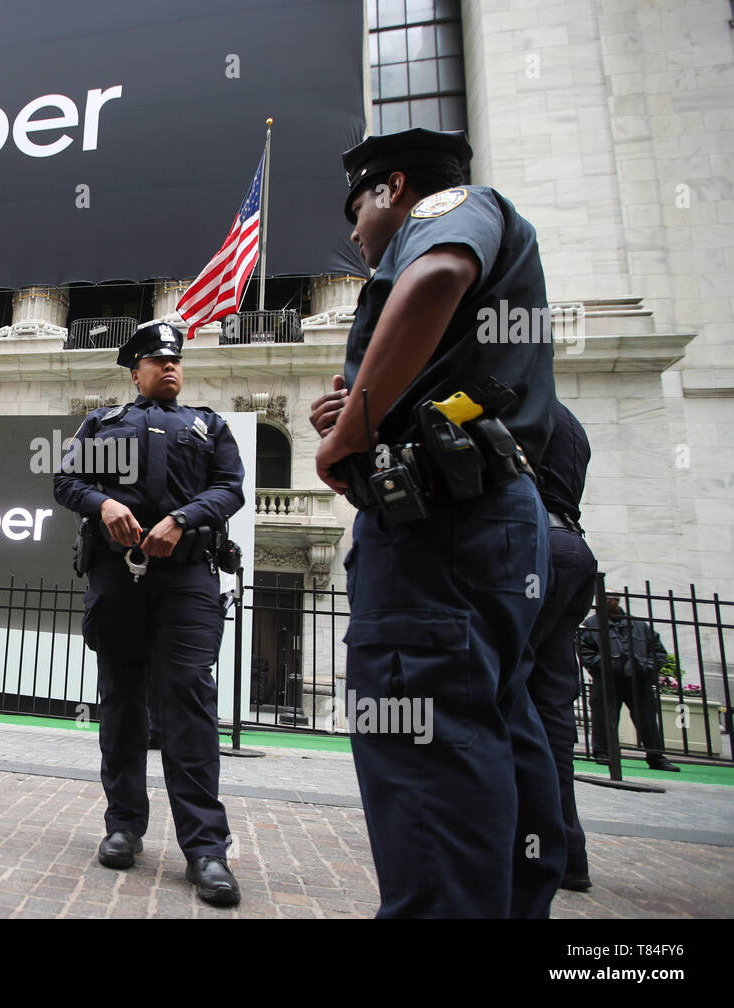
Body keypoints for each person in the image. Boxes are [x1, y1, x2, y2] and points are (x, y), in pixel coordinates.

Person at [309, 127, 565, 917]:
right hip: (479, 520)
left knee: (423, 748)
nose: (355, 234)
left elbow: (438, 276)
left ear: (391, 188)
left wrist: (353, 425)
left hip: (437, 531)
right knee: (493, 729)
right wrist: (364, 402)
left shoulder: (453, 209)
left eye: (357, 211)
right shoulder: (483, 238)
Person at [53, 320, 246, 907]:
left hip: (188, 577)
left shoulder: (209, 425)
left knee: (188, 696)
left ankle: (206, 850)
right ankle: (123, 827)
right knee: (121, 699)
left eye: (176, 361)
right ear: (134, 370)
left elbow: (232, 488)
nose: (170, 368)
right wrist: (103, 501)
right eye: (157, 361)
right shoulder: (104, 424)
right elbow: (64, 480)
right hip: (118, 577)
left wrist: (184, 519)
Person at [527, 401, 597, 891]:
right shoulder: (571, 422)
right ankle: (566, 851)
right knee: (552, 707)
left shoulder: (516, 397)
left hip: (531, 549)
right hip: (572, 547)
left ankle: (519, 845)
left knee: (496, 692)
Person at [578, 592, 679, 773]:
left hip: (637, 679)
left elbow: (658, 652)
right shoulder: (590, 626)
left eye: (612, 598)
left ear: (618, 600)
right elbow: (585, 653)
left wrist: (646, 667)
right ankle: (603, 753)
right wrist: (605, 664)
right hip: (606, 679)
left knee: (647, 719)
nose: (609, 601)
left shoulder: (639, 625)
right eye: (605, 597)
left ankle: (656, 756)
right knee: (604, 717)